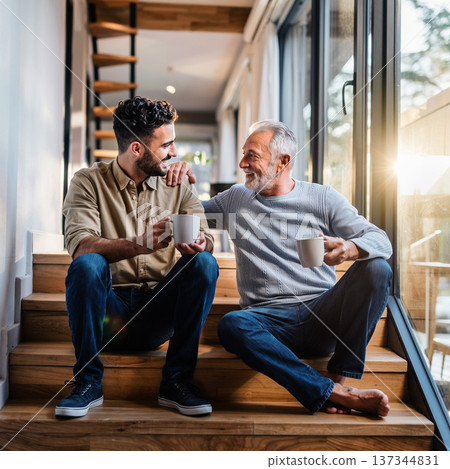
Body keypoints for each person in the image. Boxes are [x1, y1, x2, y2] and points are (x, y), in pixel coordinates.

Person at [166, 120, 393, 417]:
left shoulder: (322, 198)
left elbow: (381, 241)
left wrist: (350, 248)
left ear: (283, 161)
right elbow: (185, 211)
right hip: (268, 323)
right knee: (232, 325)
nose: (242, 162)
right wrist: (176, 174)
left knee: (377, 269)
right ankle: (332, 393)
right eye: (243, 153)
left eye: (252, 155)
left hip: (321, 315)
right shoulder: (236, 199)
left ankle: (340, 376)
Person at [57, 97, 218, 418]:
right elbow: (81, 246)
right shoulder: (87, 182)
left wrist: (200, 243)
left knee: (204, 263)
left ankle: (176, 381)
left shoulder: (178, 185)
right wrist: (139, 245)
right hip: (108, 315)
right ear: (136, 149)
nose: (174, 152)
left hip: (157, 314)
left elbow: (208, 240)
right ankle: (88, 381)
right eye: (167, 144)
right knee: (87, 265)